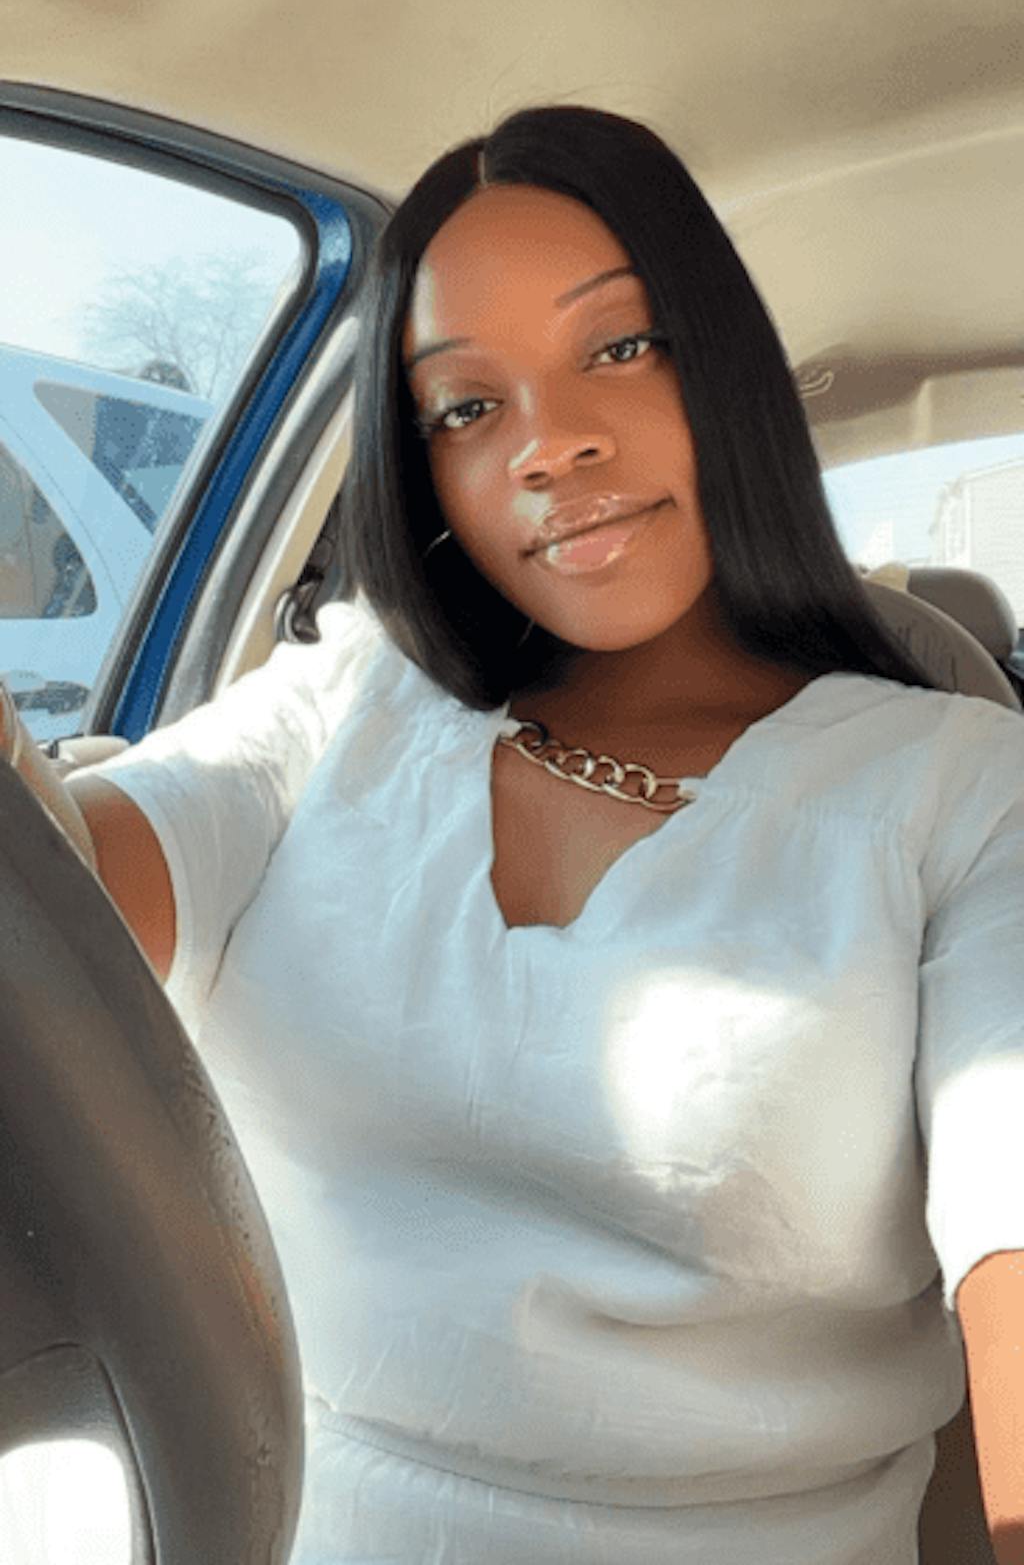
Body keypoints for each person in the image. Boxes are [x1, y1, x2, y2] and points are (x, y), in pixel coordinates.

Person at [3, 104, 1024, 1564]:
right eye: (467, 409)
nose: (551, 445)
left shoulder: (964, 788)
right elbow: (59, 910)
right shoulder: (349, 696)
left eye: (620, 346)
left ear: (724, 360)